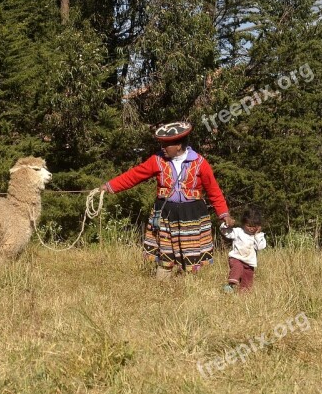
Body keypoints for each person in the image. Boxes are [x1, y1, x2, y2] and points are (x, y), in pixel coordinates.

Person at [100, 122, 233, 279]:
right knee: (165, 251)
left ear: (178, 145)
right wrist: (110, 186)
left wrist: (224, 214)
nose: (162, 147)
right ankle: (161, 284)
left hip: (191, 214)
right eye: (161, 144)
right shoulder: (157, 160)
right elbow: (135, 175)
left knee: (190, 251)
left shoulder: (200, 163)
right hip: (165, 213)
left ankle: (190, 284)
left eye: (166, 144)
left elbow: (214, 190)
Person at [219, 210, 266, 293]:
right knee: (238, 268)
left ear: (258, 226)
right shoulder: (238, 231)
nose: (251, 228)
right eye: (249, 226)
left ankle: (244, 296)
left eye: (254, 226)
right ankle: (231, 285)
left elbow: (260, 247)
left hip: (249, 262)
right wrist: (226, 225)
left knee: (247, 279)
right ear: (243, 224)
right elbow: (226, 232)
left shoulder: (258, 236)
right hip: (236, 258)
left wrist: (257, 235)